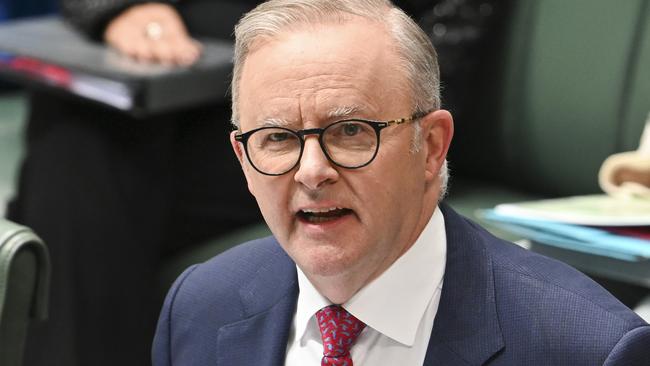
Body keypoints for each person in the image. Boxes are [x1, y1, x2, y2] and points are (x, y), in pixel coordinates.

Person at [152, 0, 650, 365]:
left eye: (350, 131)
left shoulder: (589, 349)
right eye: (278, 138)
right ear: (243, 158)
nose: (311, 171)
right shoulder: (198, 306)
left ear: (431, 146)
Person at [9, 1, 261, 365]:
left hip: (285, 90)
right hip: (147, 79)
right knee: (78, 133)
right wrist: (121, 8)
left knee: (71, 179)